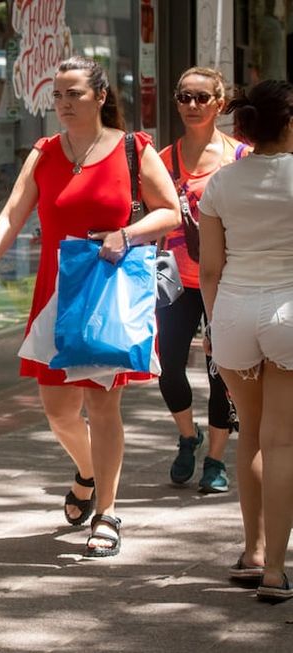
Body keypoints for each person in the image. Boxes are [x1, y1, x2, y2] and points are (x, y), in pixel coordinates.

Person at [0, 56, 180, 557]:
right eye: (57, 95)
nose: (63, 104)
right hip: (56, 294)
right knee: (57, 414)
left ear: (100, 96)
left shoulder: (131, 148)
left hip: (106, 290)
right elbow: (12, 214)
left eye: (74, 94)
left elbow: (170, 210)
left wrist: (127, 233)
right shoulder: (45, 152)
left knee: (102, 406)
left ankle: (108, 512)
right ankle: (87, 472)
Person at [198, 79, 293, 601]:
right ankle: (277, 570)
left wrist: (215, 326)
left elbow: (210, 270)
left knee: (250, 434)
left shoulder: (222, 183)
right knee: (283, 442)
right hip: (289, 313)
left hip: (233, 313)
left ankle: (252, 552)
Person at [158, 67, 249, 493]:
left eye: (201, 98)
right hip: (176, 281)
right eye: (184, 97)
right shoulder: (162, 160)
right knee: (169, 368)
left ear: (220, 104)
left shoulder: (240, 158)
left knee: (221, 373)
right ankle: (187, 436)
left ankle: (214, 459)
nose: (192, 105)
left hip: (227, 280)